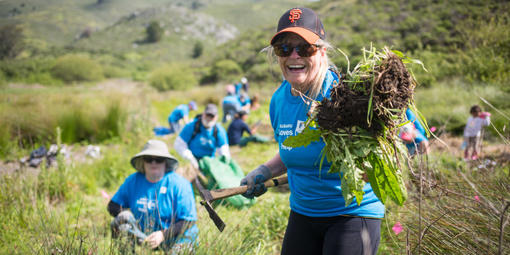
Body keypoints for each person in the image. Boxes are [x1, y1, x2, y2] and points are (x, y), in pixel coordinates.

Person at [240, 7, 383, 255]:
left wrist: (389, 156)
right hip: (303, 213)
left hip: (352, 214)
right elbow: (290, 149)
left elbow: (401, 131)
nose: (293, 56)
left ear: (322, 51)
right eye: (284, 49)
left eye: (304, 48)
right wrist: (263, 171)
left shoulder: (346, 92)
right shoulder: (279, 101)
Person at [107, 140, 198, 252]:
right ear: (143, 162)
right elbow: (112, 205)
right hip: (144, 237)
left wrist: (163, 235)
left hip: (177, 237)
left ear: (166, 162)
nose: (153, 163)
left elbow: (188, 221)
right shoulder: (133, 181)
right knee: (121, 224)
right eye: (149, 159)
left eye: (158, 159)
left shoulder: (180, 184)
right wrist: (126, 215)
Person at [174, 104, 230, 170]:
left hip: (209, 161)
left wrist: (223, 163)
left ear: (216, 117)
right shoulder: (191, 126)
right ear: (203, 114)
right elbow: (179, 144)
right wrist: (190, 158)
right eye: (207, 115)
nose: (209, 118)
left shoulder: (219, 130)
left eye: (212, 116)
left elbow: (224, 151)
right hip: (192, 158)